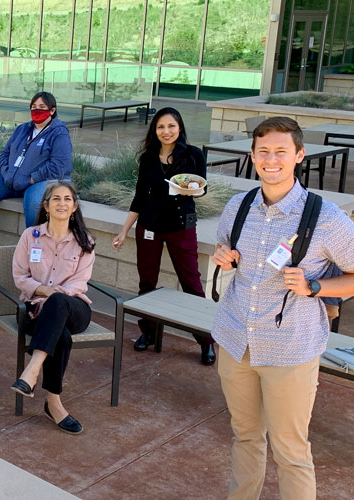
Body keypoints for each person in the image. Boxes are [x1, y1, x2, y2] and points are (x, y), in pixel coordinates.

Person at [212, 117, 354, 499]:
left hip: (289, 349)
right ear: (253, 155)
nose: (270, 160)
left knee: (291, 451)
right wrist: (224, 257)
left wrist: (316, 286)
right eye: (263, 151)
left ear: (299, 156)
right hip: (235, 339)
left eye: (280, 151)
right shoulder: (237, 206)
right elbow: (226, 253)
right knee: (245, 437)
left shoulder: (328, 220)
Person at [111, 108, 215, 365]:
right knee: (147, 283)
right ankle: (149, 333)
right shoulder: (148, 158)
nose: (166, 131)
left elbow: (201, 189)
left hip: (182, 226)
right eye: (160, 127)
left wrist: (192, 191)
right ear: (154, 131)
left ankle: (206, 341)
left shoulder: (193, 155)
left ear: (179, 127)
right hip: (149, 227)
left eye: (171, 126)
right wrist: (124, 230)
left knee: (192, 284)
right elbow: (139, 197)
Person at [8, 181, 95, 435]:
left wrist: (53, 297)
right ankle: (53, 403)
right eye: (56, 198)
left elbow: (78, 284)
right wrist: (44, 292)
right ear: (46, 206)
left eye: (67, 199)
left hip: (75, 310)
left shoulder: (85, 242)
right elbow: (20, 276)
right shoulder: (30, 236)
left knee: (58, 303)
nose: (62, 203)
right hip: (35, 309)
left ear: (74, 206)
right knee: (61, 337)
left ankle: (31, 371)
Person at [0, 91, 72, 231]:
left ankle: (33, 248)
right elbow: (4, 154)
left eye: (42, 107)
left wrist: (31, 178)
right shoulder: (22, 129)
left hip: (39, 181)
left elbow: (60, 165)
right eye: (34, 106)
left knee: (33, 205)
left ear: (52, 110)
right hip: (11, 178)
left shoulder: (59, 132)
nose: (37, 110)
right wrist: (6, 173)